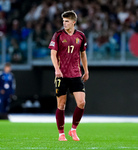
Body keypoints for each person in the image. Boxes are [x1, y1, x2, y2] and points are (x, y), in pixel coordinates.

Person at [48, 10, 89, 141]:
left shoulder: (81, 36)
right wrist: (56, 69)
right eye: (63, 21)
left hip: (76, 74)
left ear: (73, 22)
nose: (64, 23)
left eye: (66, 21)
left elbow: (83, 54)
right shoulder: (58, 35)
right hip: (62, 75)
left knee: (81, 102)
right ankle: (61, 133)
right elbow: (53, 53)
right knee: (61, 104)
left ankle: (73, 130)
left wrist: (86, 70)